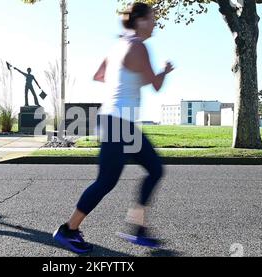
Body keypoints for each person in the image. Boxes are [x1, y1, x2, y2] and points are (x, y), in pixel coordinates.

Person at [52, 2, 174, 253]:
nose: (154, 24)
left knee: (154, 168)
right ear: (138, 20)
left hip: (117, 120)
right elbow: (157, 85)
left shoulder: (119, 46)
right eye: (151, 19)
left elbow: (99, 76)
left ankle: (137, 226)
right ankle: (68, 229)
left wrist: (125, 78)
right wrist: (164, 71)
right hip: (118, 121)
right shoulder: (139, 46)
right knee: (107, 180)